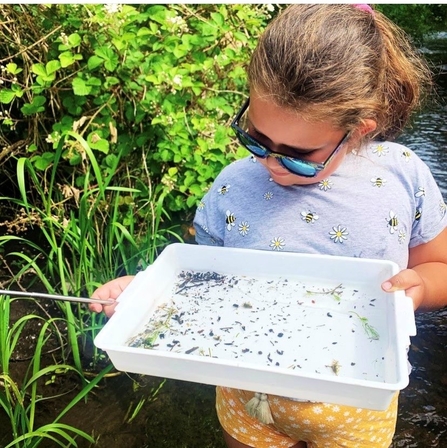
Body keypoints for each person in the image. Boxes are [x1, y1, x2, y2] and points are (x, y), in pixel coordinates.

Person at [90, 4, 447, 447]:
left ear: (357, 130)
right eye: (256, 140)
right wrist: (143, 294)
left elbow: (439, 267)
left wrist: (420, 289)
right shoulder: (232, 187)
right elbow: (201, 284)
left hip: (352, 403)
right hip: (246, 398)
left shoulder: (402, 178)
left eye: (300, 154)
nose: (272, 164)